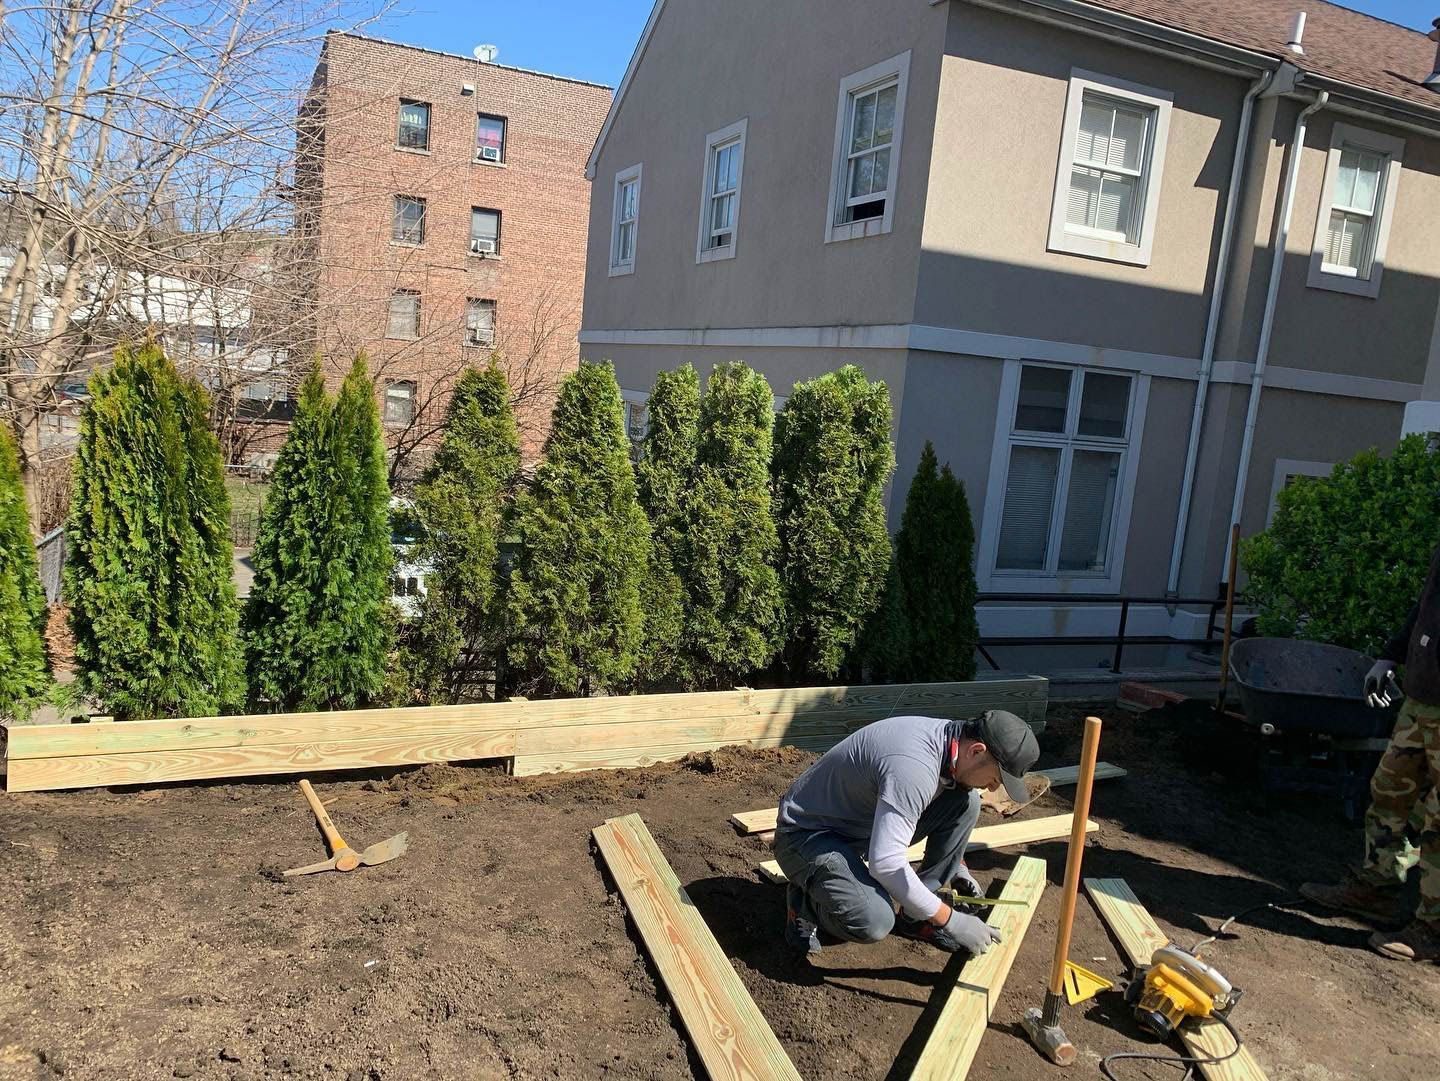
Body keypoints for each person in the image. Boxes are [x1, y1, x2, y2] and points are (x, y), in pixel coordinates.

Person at [772, 710, 1040, 958]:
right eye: (995, 779)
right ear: (977, 751)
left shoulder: (949, 742)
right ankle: (805, 904)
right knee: (874, 921)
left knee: (966, 802)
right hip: (806, 836)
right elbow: (886, 864)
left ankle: (916, 917)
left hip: (857, 825)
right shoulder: (913, 766)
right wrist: (951, 919)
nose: (993, 788)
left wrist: (955, 864)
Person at [1300, 548, 1440, 962]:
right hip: (1422, 699)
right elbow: (1426, 605)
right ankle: (1375, 887)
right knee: (1389, 791)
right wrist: (1392, 653)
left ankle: (1432, 929)